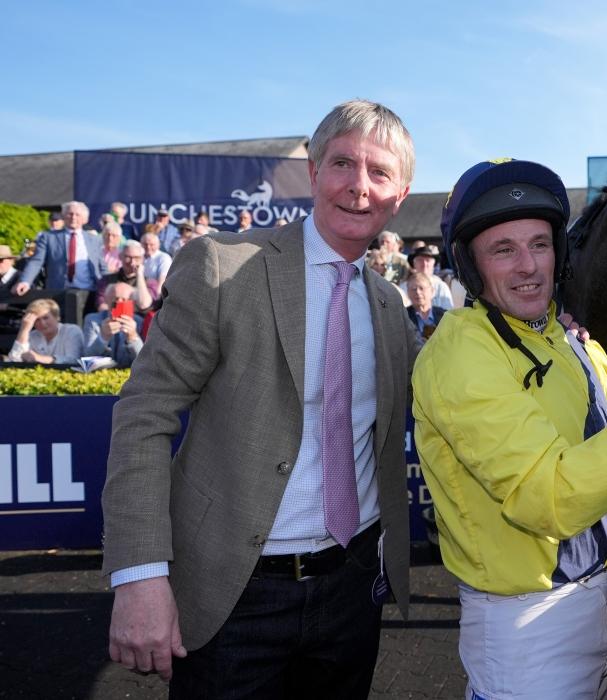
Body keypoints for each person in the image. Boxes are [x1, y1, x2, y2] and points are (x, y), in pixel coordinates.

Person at [102, 99, 419, 697]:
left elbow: (448, 388)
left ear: (398, 196)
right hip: (233, 592)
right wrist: (139, 574)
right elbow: (143, 415)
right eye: (343, 163)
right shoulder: (223, 267)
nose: (359, 186)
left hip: (352, 589)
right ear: (314, 171)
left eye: (379, 172)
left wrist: (559, 331)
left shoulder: (387, 305)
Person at [412, 158, 607, 698]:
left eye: (539, 244)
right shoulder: (459, 354)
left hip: (605, 595)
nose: (528, 266)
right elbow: (550, 498)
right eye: (503, 249)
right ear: (469, 266)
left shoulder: (570, 339)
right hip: (530, 628)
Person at [13, 201, 103, 299]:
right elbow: (36, 261)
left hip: (88, 291)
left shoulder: (95, 239)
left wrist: (108, 285)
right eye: (70, 214)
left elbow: (102, 265)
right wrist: (25, 281)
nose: (73, 217)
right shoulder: (47, 237)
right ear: (64, 216)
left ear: (85, 219)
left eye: (77, 215)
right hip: (58, 291)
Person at [82, 282, 143, 368]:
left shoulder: (139, 322)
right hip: (101, 372)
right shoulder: (93, 320)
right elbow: (87, 358)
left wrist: (133, 337)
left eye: (124, 300)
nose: (119, 302)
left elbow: (145, 361)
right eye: (116, 299)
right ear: (106, 300)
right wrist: (103, 337)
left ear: (132, 302)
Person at [5, 298, 84, 364]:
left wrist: (40, 358)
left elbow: (73, 360)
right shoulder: (32, 336)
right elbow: (13, 360)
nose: (42, 323)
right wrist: (24, 329)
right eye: (37, 319)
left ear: (57, 317)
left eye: (45, 318)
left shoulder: (71, 331)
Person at [97, 241, 157, 313]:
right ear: (120, 257)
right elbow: (101, 304)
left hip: (138, 318)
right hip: (111, 316)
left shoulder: (150, 283)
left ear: (142, 259)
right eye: (128, 257)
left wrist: (140, 275)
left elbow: (144, 305)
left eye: (137, 258)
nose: (132, 262)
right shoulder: (107, 280)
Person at [404, 271, 445, 344]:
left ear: (432, 291)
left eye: (421, 288)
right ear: (408, 293)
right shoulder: (403, 317)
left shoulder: (444, 315)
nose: (418, 292)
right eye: (413, 289)